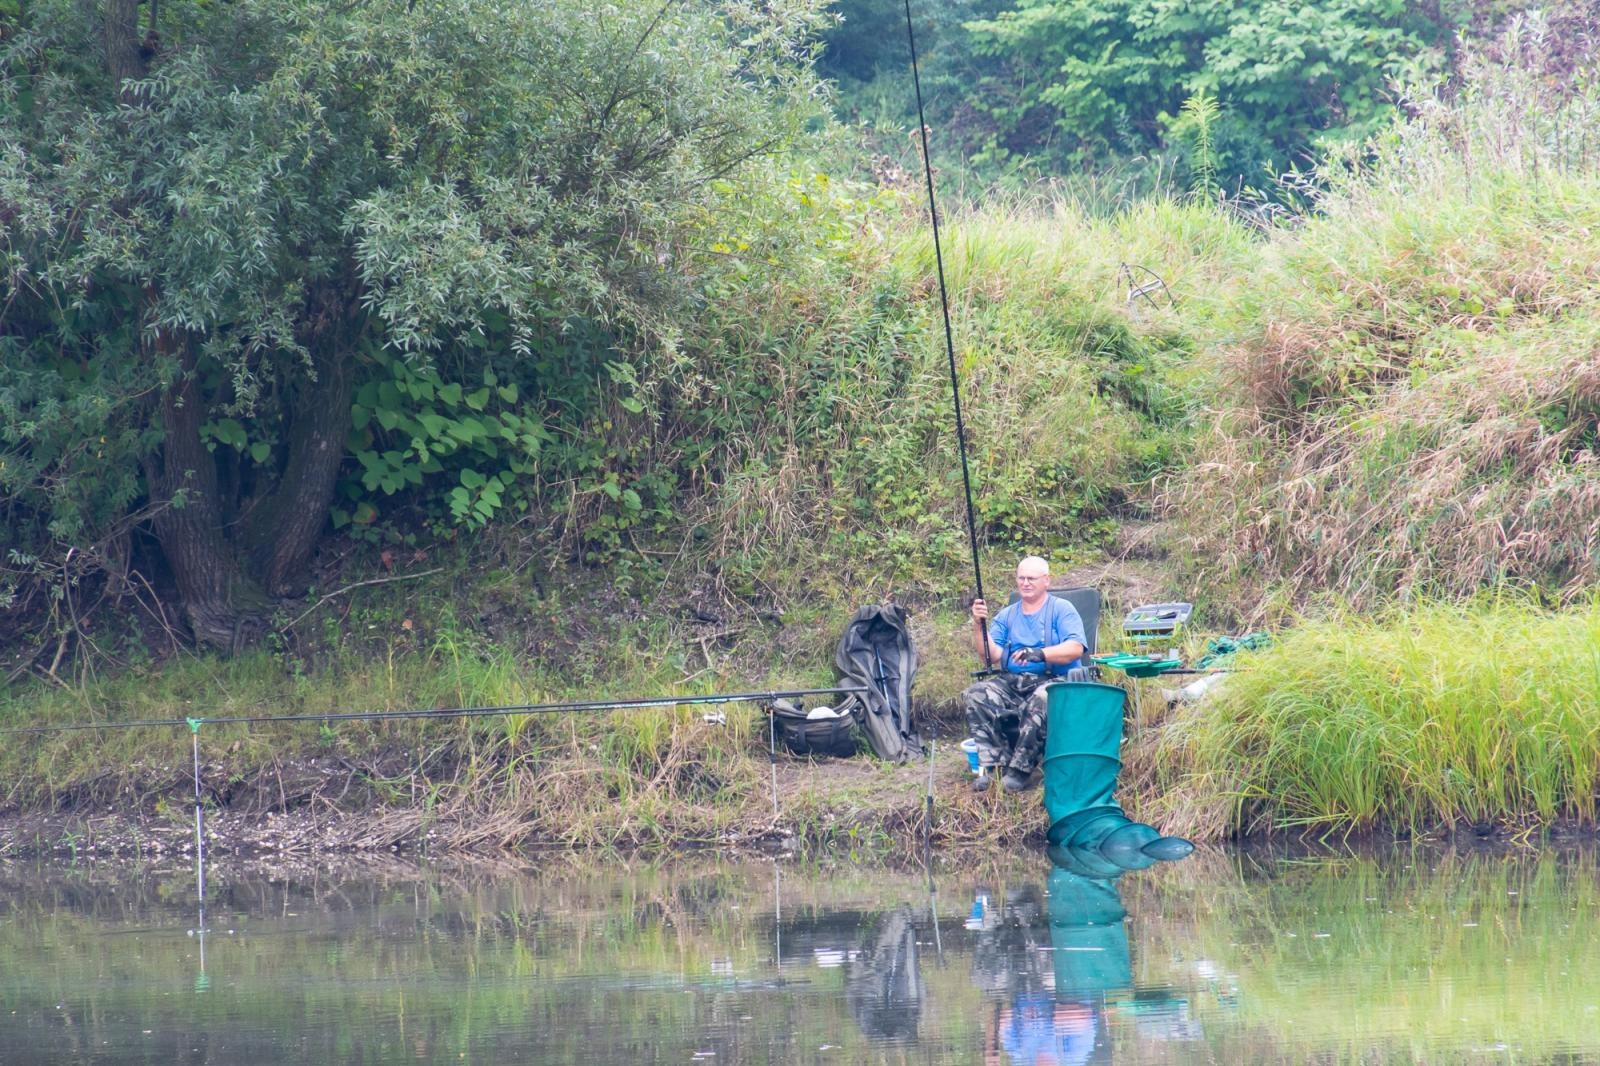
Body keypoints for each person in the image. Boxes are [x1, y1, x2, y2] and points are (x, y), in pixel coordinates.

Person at [964, 557, 1087, 793]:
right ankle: (993, 766)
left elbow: (1075, 648)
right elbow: (991, 655)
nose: (1026, 583)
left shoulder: (1062, 610)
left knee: (1043, 697)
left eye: (1031, 578)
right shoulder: (1007, 615)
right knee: (976, 693)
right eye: (1021, 578)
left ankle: (1019, 771)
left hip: (1055, 680)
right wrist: (979, 625)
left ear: (1046, 581)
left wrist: (1041, 654)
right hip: (1014, 683)